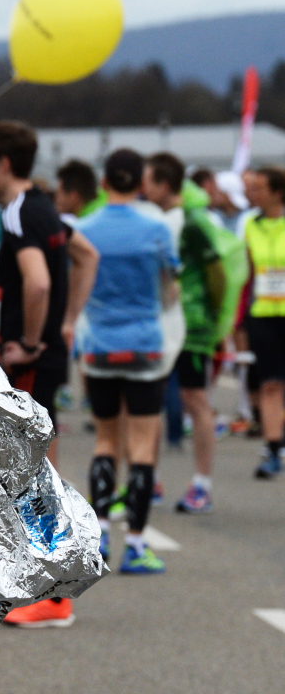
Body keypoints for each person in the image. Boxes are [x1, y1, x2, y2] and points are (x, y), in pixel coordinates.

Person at [0, 120, 99, 625]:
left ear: (3, 165)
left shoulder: (21, 212)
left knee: (35, 473)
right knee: (37, 468)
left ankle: (53, 596)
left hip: (31, 358)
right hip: (49, 356)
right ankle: (43, 588)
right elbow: (87, 256)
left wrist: (27, 341)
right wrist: (67, 323)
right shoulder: (42, 205)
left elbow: (40, 282)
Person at [77, 148, 179, 574]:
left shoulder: (84, 228)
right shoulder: (156, 227)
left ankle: (98, 534)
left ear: (103, 182)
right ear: (140, 182)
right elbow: (170, 289)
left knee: (105, 440)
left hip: (98, 342)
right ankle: (136, 545)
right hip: (144, 342)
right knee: (141, 444)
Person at [144, 152, 221, 513]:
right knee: (151, 400)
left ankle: (201, 485)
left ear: (163, 183)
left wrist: (212, 316)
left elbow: (217, 272)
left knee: (195, 400)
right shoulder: (152, 220)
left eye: (148, 180)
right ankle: (150, 477)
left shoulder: (192, 222)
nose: (142, 187)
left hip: (191, 329)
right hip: (158, 325)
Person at [241, 166, 285, 478]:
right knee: (270, 384)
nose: (251, 193)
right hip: (263, 316)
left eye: (258, 188)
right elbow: (247, 274)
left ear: (277, 192)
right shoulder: (250, 226)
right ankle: (272, 450)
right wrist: (237, 318)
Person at [54, 159, 106, 224]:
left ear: (73, 197)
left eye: (59, 194)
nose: (55, 199)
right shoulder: (107, 203)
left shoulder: (88, 224)